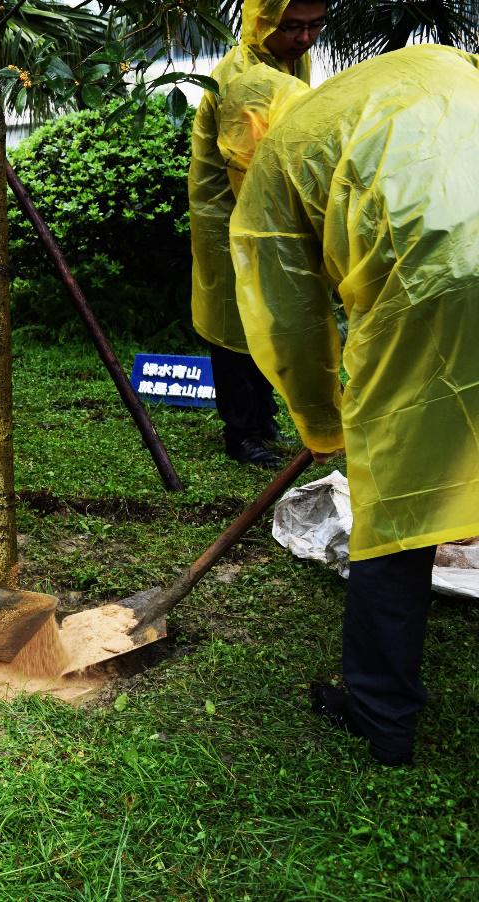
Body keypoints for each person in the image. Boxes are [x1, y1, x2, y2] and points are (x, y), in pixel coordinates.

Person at [231, 44, 479, 765]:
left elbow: (292, 321)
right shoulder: (412, 74)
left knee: (395, 498)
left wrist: (323, 424)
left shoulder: (280, 155)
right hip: (439, 267)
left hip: (433, 283)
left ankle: (380, 713)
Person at [188, 0, 325, 468]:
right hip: (231, 217)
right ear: (263, 22)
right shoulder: (243, 81)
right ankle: (241, 435)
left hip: (263, 215)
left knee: (266, 318)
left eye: (314, 26)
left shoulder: (287, 58)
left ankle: (262, 419)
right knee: (235, 325)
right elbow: (252, 172)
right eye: (293, 27)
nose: (305, 39)